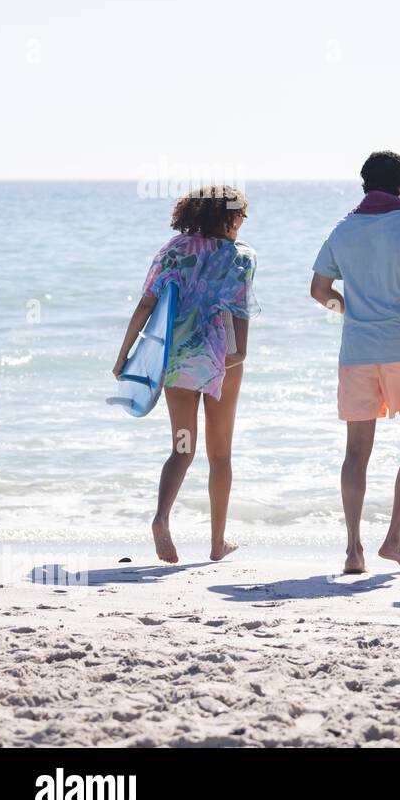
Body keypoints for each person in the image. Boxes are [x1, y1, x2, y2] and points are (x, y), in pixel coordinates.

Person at [311, 150, 400, 575]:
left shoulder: (344, 228)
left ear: (364, 183)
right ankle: (393, 540)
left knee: (356, 451)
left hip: (357, 352)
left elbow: (319, 289)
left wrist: (350, 310)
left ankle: (354, 549)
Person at [113, 184, 257, 565]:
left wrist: (125, 354)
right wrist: (240, 352)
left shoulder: (173, 250)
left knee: (182, 448)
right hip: (221, 361)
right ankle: (216, 542)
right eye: (241, 215)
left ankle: (161, 519)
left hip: (177, 362)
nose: (243, 222)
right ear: (227, 216)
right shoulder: (242, 256)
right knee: (221, 454)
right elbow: (238, 311)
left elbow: (147, 303)